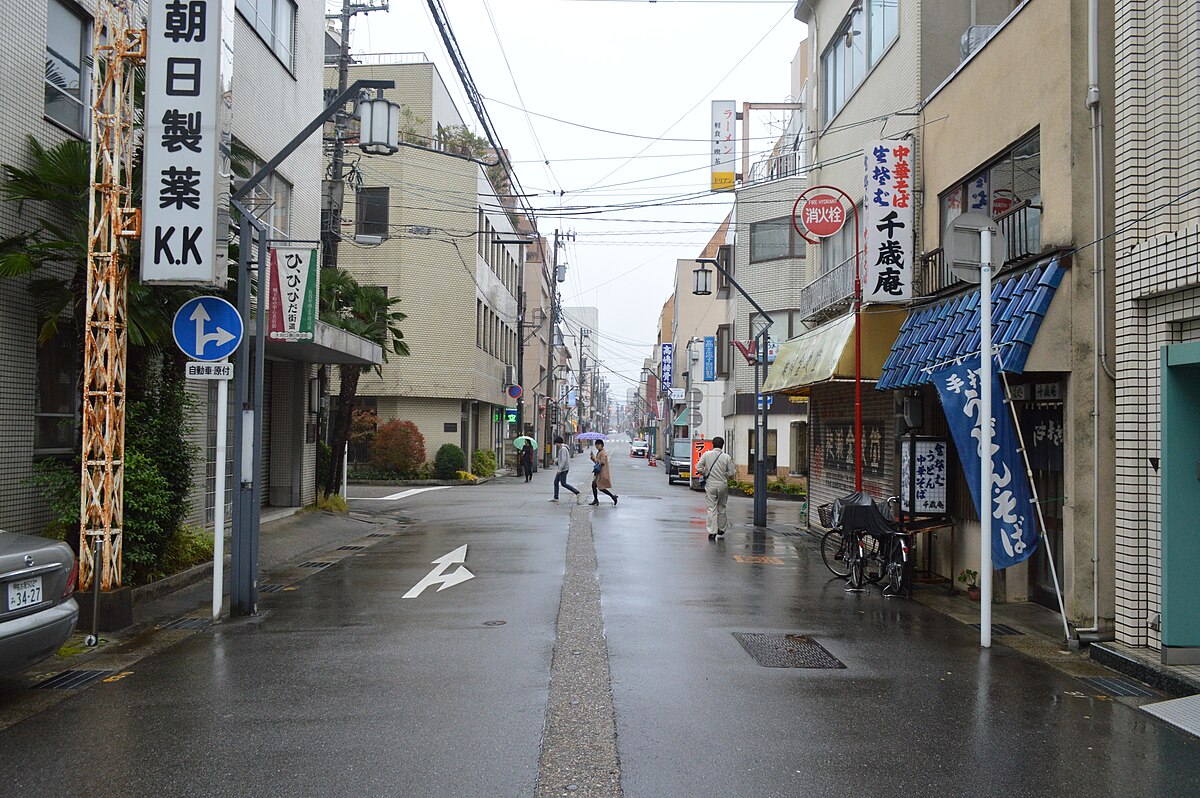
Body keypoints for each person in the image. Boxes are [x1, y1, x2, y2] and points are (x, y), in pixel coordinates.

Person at [695, 436, 735, 540]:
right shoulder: (726, 457)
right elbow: (732, 473)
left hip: (711, 484)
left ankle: (712, 531)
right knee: (722, 507)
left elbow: (698, 467)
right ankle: (721, 529)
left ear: (712, 444)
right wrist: (724, 474)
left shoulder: (706, 454)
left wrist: (705, 473)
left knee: (711, 508)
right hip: (722, 484)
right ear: (722, 445)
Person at [549, 436, 581, 503]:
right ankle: (556, 497)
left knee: (563, 483)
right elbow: (561, 459)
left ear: (558, 442)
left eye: (556, 443)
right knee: (556, 482)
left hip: (563, 469)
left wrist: (559, 469)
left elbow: (563, 460)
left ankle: (577, 492)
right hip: (562, 468)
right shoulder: (562, 448)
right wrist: (556, 460)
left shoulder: (563, 449)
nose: (556, 445)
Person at [589, 439, 618, 506]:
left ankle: (613, 497)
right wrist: (592, 458)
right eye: (596, 445)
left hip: (601, 473)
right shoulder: (599, 452)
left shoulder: (603, 452)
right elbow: (597, 462)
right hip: (598, 473)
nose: (596, 446)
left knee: (601, 488)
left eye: (598, 445)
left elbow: (602, 462)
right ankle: (596, 500)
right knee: (594, 485)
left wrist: (594, 458)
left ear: (601, 445)